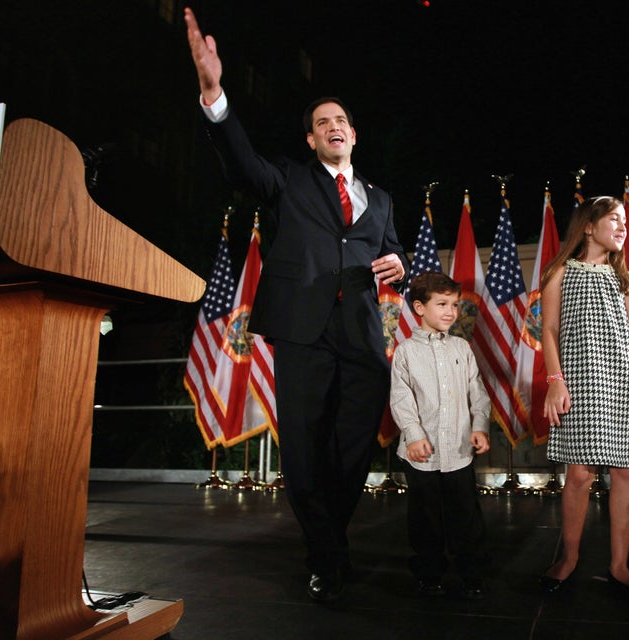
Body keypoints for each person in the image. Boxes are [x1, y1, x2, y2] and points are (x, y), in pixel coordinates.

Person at [184, 8, 409, 602]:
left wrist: (401, 266)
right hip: (302, 332)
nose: (333, 126)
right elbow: (240, 163)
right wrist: (214, 94)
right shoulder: (286, 179)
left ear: (353, 134)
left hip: (361, 335)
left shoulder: (381, 199)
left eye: (341, 120)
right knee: (307, 451)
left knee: (354, 446)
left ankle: (328, 542)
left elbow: (390, 257)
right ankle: (328, 557)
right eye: (321, 122)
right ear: (311, 139)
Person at [537, 196, 629, 598]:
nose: (622, 226)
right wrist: (555, 379)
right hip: (579, 380)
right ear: (588, 226)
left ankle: (620, 565)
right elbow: (550, 331)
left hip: (623, 381)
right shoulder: (560, 272)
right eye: (614, 219)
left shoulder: (623, 278)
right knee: (579, 474)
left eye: (625, 220)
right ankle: (570, 557)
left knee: (625, 472)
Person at [389, 272, 492, 600]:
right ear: (420, 307)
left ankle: (471, 572)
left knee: (466, 516)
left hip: (459, 450)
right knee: (425, 519)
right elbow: (402, 398)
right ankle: (429, 573)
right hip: (422, 453)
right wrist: (414, 435)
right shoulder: (406, 352)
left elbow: (477, 392)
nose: (451, 311)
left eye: (455, 304)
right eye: (442, 304)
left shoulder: (461, 347)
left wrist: (479, 426)